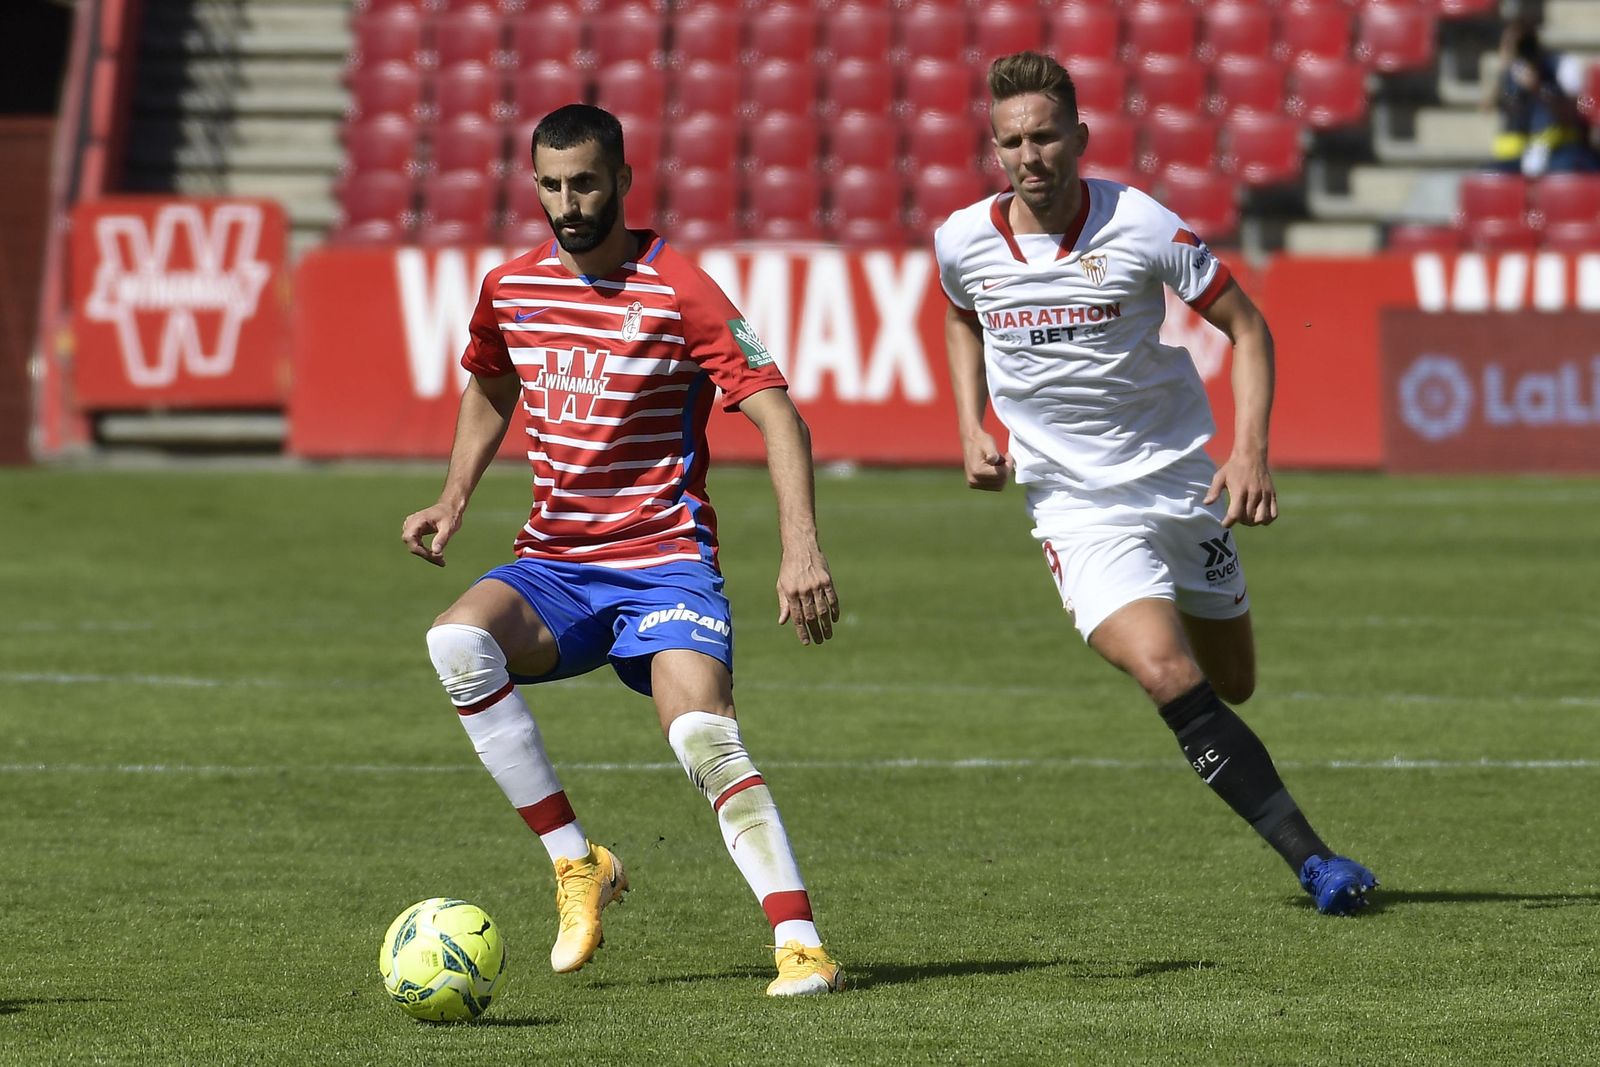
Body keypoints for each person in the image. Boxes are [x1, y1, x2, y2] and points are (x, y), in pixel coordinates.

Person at [401, 103, 845, 995]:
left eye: (586, 184)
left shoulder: (679, 288)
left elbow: (779, 417)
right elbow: (491, 383)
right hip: (556, 565)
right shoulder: (511, 288)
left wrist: (801, 549)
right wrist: (454, 497)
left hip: (663, 561)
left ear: (624, 181)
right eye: (551, 186)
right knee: (455, 641)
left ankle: (801, 945)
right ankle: (577, 861)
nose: (568, 204)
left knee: (703, 734)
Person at [935, 52, 1377, 916]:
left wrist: (1249, 451)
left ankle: (1217, 666)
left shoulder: (1140, 224)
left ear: (1079, 137)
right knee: (1165, 670)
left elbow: (1248, 327)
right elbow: (960, 313)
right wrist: (968, 423)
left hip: (1179, 485)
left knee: (1233, 682)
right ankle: (1316, 861)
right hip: (1075, 505)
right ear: (996, 147)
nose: (1029, 156)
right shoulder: (963, 239)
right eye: (1012, 142)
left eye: (1045, 137)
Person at [1483, 18, 1598, 176]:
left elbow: (1579, 109)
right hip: (1519, 153)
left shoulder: (1560, 66)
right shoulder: (1510, 71)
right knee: (1488, 176)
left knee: (1565, 171)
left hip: (1559, 149)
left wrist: (1538, 88)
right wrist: (1503, 69)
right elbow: (1486, 106)